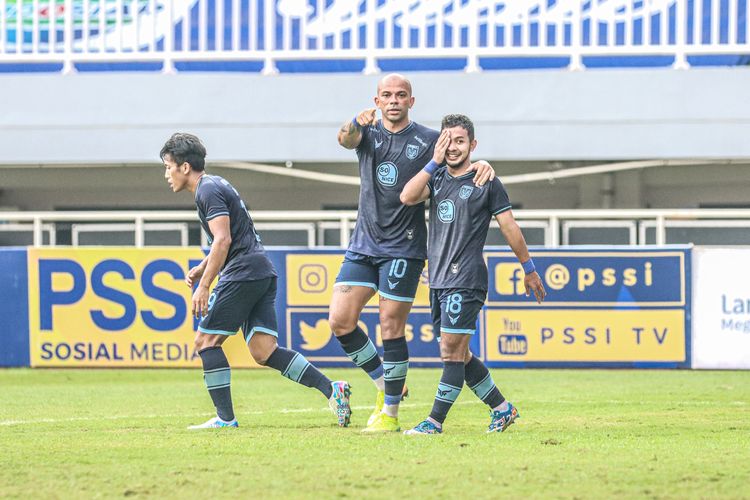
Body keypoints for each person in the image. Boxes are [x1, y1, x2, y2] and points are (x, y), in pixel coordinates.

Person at [333, 74, 497, 432]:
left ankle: (389, 414)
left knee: (390, 327)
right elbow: (344, 139)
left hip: (404, 247)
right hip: (363, 243)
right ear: (377, 101)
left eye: (401, 95)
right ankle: (387, 382)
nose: (394, 100)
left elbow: (458, 159)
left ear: (411, 101)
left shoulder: (427, 139)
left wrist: (483, 165)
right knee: (340, 320)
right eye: (387, 95)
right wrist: (353, 122)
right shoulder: (368, 131)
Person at [160, 133, 351, 429]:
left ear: (185, 167)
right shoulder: (215, 184)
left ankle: (225, 419)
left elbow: (223, 240)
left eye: (168, 166)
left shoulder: (206, 191)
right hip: (260, 269)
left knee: (206, 340)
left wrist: (205, 284)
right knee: (264, 351)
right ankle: (332, 389)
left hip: (243, 272)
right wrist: (203, 267)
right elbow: (228, 239)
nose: (166, 174)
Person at [399, 114, 546, 435]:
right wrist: (432, 162)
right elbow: (407, 196)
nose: (453, 147)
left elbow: (509, 226)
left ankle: (434, 422)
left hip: (466, 280)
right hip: (437, 280)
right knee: (460, 354)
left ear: (473, 145)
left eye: (460, 141)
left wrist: (529, 268)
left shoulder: (485, 180)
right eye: (447, 141)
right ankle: (502, 409)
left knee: (451, 352)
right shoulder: (436, 179)